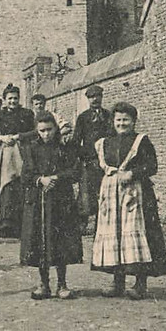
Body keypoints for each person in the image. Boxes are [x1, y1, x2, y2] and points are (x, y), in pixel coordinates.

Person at [91, 102, 166, 300]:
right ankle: (117, 283)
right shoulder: (104, 142)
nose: (122, 123)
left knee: (137, 237)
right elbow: (95, 166)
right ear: (113, 121)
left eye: (126, 120)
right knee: (115, 237)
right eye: (118, 120)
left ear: (133, 121)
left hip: (136, 196)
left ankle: (140, 284)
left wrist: (133, 173)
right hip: (111, 197)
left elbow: (152, 166)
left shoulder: (141, 141)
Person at [20, 111, 83, 300]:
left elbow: (75, 172)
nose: (46, 134)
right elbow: (25, 176)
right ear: (37, 131)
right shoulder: (31, 149)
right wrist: (41, 180)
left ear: (56, 128)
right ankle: (44, 283)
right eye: (42, 131)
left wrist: (56, 177)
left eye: (49, 130)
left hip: (60, 201)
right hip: (38, 201)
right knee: (40, 241)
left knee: (60, 242)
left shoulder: (64, 147)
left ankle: (62, 284)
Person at [0, 84, 35, 237]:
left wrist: (18, 136)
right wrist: (1, 138)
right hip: (3, 156)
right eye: (10, 99)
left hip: (22, 153)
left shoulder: (27, 114)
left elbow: (35, 132)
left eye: (15, 98)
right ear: (5, 100)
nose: (13, 101)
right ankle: (4, 223)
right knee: (5, 186)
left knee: (21, 184)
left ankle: (21, 224)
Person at [71, 85, 113, 228]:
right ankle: (82, 223)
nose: (95, 99)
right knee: (86, 193)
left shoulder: (109, 115)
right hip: (89, 160)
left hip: (106, 160)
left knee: (104, 190)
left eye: (98, 96)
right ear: (88, 99)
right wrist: (85, 155)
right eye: (91, 97)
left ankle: (102, 222)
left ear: (102, 97)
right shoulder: (83, 117)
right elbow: (76, 140)